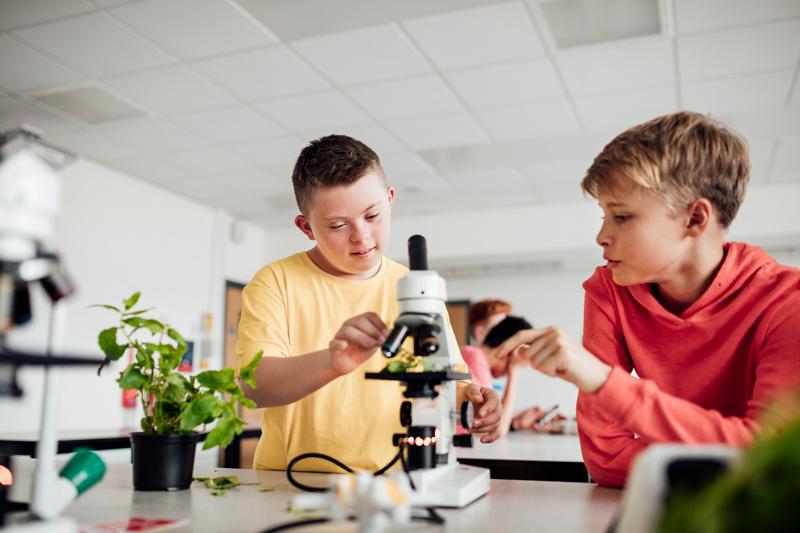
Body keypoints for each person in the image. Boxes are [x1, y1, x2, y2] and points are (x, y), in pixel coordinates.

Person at [495, 112, 800, 487]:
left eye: (621, 216)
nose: (601, 236)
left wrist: (603, 381)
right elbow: (605, 456)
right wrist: (724, 455)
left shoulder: (788, 302)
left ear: (695, 219)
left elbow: (767, 459)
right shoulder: (609, 290)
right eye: (604, 215)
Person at [235, 134, 502, 473]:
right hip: (293, 482)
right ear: (306, 227)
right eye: (338, 225)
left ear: (390, 200)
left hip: (399, 484)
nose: (360, 236)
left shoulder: (417, 290)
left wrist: (477, 402)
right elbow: (252, 386)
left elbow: (449, 380)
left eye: (372, 215)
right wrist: (331, 362)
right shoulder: (275, 282)